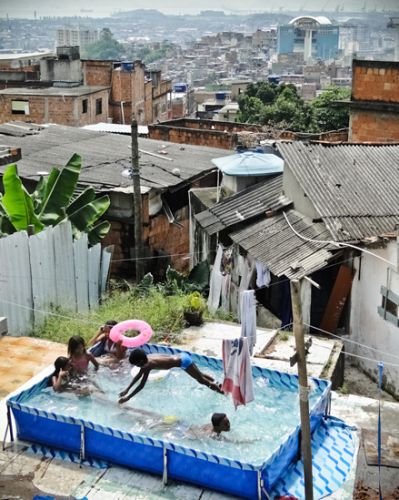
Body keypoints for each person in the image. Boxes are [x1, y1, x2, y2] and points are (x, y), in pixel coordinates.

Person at [118, 349, 224, 404]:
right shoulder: (148, 358)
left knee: (202, 381)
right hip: (182, 356)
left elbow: (141, 385)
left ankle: (222, 392)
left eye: (136, 364)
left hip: (183, 362)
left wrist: (128, 397)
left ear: (140, 361)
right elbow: (138, 375)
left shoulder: (148, 365)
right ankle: (218, 383)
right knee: (199, 375)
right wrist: (127, 389)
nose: (137, 366)